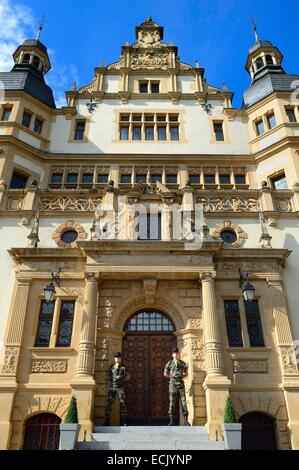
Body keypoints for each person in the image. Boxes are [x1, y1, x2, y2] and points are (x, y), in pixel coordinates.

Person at [164, 347, 190, 426]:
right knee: (172, 402)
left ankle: (186, 420)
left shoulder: (182, 363)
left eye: (177, 353)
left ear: (178, 354)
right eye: (174, 353)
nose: (176, 354)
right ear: (172, 355)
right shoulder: (169, 363)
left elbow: (186, 373)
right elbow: (165, 373)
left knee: (183, 402)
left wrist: (181, 376)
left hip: (180, 385)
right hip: (172, 385)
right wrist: (172, 378)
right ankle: (171, 420)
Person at [104, 352, 129, 426]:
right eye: (116, 357)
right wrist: (110, 379)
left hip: (120, 388)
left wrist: (121, 379)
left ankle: (124, 422)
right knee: (109, 404)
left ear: (120, 359)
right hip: (112, 387)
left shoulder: (123, 367)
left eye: (119, 357)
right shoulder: (111, 367)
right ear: (114, 358)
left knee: (123, 404)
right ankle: (107, 422)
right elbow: (108, 376)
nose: (117, 358)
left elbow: (127, 376)